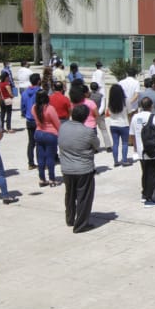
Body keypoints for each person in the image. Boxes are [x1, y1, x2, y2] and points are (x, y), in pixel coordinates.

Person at [58, 103, 97, 233]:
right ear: (85, 117)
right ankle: (81, 225)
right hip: (83, 169)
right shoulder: (88, 131)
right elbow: (96, 145)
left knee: (70, 195)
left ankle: (70, 219)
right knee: (84, 197)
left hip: (67, 168)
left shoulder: (63, 127)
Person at [130, 97, 155, 205]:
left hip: (142, 151)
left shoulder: (135, 117)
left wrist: (135, 148)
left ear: (141, 106)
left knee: (145, 173)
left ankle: (144, 193)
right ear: (151, 106)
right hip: (154, 150)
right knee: (153, 174)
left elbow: (132, 135)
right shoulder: (154, 118)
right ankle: (149, 199)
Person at [33, 87, 62, 188]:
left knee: (40, 157)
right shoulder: (50, 108)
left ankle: (42, 179)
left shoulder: (34, 108)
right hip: (50, 134)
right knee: (50, 157)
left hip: (38, 132)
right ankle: (51, 179)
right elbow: (57, 123)